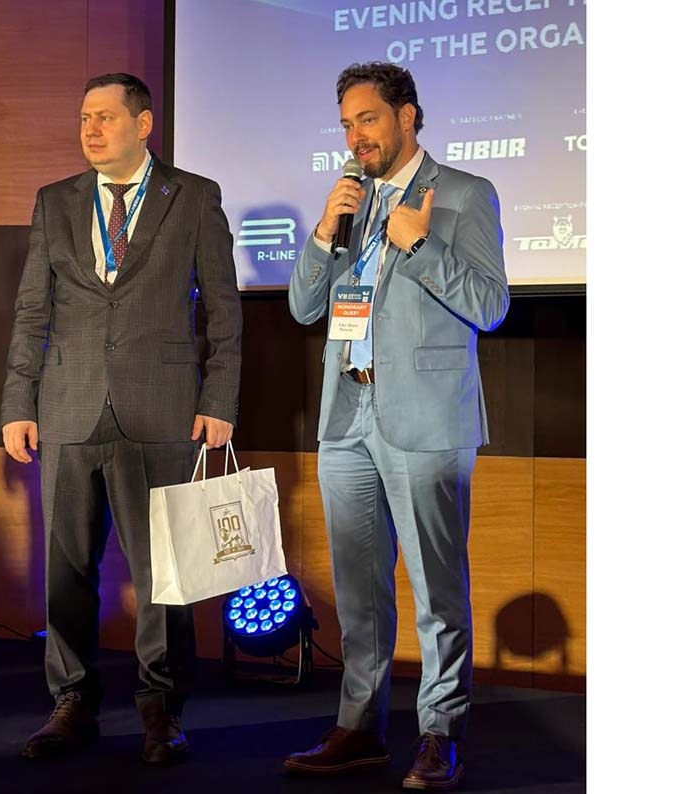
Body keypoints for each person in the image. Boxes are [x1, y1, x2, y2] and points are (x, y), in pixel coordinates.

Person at [0, 72, 242, 765]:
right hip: (68, 406)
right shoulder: (56, 201)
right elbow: (32, 310)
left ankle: (161, 707)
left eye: (105, 116)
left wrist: (219, 400)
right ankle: (71, 700)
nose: (91, 129)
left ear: (143, 124)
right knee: (67, 569)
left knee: (164, 569)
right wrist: (18, 402)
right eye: (84, 118)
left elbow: (223, 308)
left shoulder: (193, 196)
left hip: (163, 408)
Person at [284, 62, 508, 791]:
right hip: (347, 414)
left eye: (368, 119)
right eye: (347, 124)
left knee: (437, 592)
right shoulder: (349, 204)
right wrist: (325, 229)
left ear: (407, 116)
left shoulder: (465, 194)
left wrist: (418, 243)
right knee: (359, 591)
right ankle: (360, 727)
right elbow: (304, 308)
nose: (356, 136)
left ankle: (441, 732)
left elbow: (490, 305)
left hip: (426, 418)